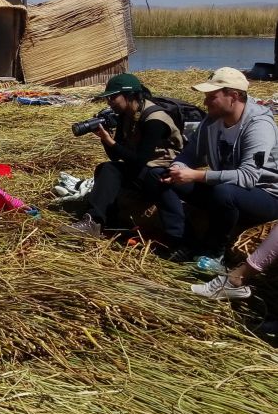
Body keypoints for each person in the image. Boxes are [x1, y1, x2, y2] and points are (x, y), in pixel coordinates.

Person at [154, 67, 278, 269]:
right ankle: (184, 241)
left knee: (223, 191)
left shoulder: (259, 126)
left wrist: (196, 175)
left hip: (266, 196)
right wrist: (178, 167)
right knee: (160, 176)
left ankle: (215, 251)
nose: (205, 102)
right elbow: (191, 153)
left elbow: (247, 178)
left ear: (234, 96)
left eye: (212, 97)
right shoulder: (211, 121)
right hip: (224, 191)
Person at [62, 73, 183, 237]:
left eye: (113, 97)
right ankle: (97, 221)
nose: (109, 102)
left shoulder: (155, 120)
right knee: (106, 168)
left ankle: (97, 221)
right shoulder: (125, 116)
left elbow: (140, 160)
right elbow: (115, 157)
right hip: (143, 170)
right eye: (108, 98)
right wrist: (105, 139)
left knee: (112, 170)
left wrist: (110, 142)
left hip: (161, 173)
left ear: (129, 95)